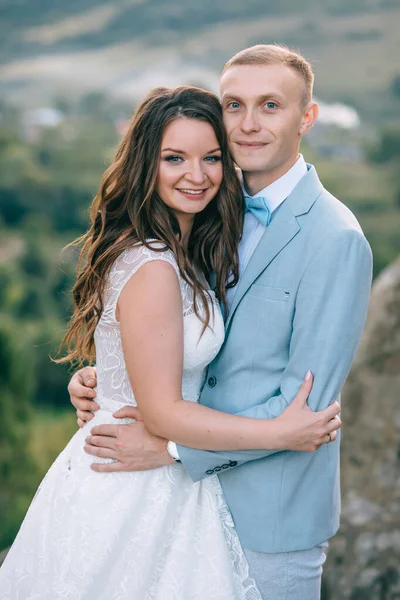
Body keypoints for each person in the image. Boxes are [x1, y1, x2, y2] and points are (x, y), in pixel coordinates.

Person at [0, 85, 341, 600]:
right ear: (145, 163)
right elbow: (160, 415)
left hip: (157, 472)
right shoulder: (155, 264)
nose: (196, 175)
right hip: (133, 485)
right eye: (174, 158)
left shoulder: (184, 252)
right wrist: (281, 432)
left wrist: (104, 378)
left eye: (211, 158)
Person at [70, 45, 373, 599]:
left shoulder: (335, 239)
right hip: (179, 506)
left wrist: (171, 451)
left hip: (267, 516)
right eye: (234, 105)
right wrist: (109, 377)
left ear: (306, 117)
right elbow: (173, 329)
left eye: (271, 106)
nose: (250, 124)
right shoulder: (211, 212)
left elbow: (304, 407)